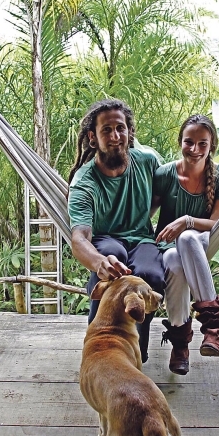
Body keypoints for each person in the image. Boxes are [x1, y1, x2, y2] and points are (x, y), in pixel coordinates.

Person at [68, 99, 165, 363]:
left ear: (130, 132)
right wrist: (99, 263)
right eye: (106, 130)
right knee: (112, 254)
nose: (115, 136)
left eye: (120, 128)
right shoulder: (85, 182)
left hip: (142, 239)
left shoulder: (148, 162)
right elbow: (79, 238)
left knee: (150, 276)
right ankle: (98, 348)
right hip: (106, 241)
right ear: (92, 137)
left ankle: (136, 351)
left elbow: (169, 193)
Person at [152, 114, 219, 375]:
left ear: (211, 147)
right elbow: (143, 215)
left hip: (202, 242)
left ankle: (211, 327)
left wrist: (186, 221)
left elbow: (217, 223)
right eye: (189, 142)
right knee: (175, 260)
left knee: (186, 238)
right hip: (167, 249)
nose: (195, 150)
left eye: (202, 144)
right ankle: (182, 342)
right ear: (180, 142)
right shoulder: (164, 174)